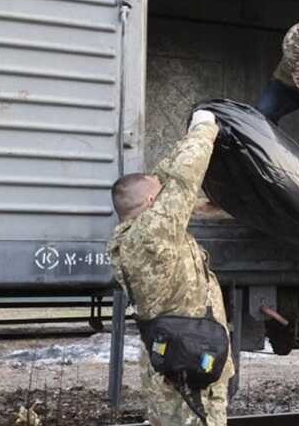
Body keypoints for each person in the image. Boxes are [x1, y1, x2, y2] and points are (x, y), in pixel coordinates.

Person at [108, 110, 234, 426]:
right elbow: (184, 177)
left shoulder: (134, 235)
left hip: (177, 363)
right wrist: (204, 128)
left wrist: (187, 134)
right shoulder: (151, 233)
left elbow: (163, 177)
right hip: (189, 371)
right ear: (152, 204)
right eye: (158, 194)